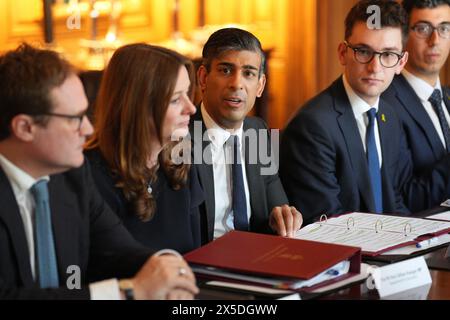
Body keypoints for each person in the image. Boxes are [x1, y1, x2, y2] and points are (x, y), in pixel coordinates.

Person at [0, 43, 198, 300]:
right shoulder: (89, 169)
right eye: (74, 119)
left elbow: (118, 248)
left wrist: (167, 269)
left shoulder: (71, 177)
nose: (88, 129)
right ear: (25, 128)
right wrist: (127, 292)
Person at [280, 0, 450, 224]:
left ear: (401, 62)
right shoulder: (313, 126)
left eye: (388, 54)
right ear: (342, 53)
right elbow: (326, 225)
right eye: (363, 51)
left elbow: (396, 202)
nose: (375, 67)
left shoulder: (389, 117)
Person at [85, 44, 202, 254]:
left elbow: (195, 257)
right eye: (176, 99)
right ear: (139, 107)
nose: (191, 108)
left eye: (187, 94)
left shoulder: (180, 161)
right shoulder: (88, 177)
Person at [191, 27, 302, 243]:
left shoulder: (258, 131)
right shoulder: (180, 138)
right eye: (225, 71)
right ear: (203, 78)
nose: (236, 84)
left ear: (260, 86)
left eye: (249, 73)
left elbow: (276, 208)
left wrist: (284, 218)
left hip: (257, 259)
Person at [382, 0, 450, 212]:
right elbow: (403, 199)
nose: (435, 40)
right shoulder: (386, 105)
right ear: (404, 35)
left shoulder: (446, 97)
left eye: (444, 28)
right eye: (423, 28)